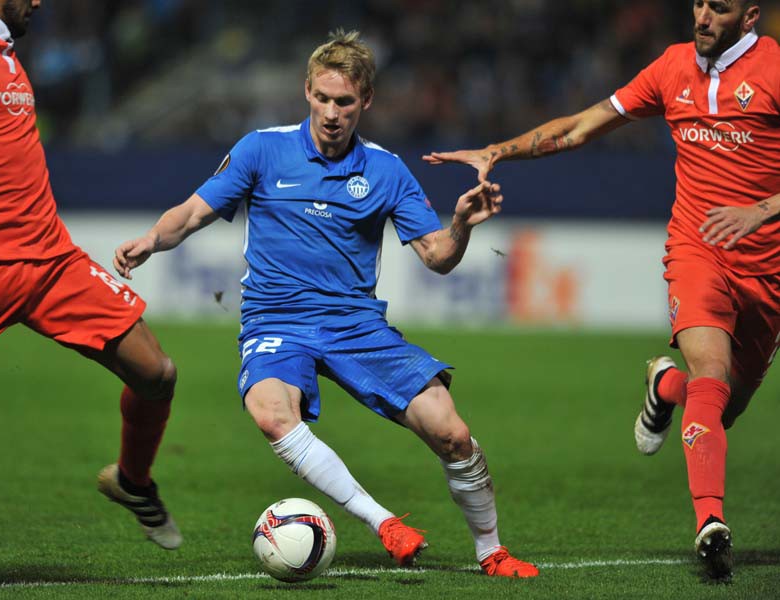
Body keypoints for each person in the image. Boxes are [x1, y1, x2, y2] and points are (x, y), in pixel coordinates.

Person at [114, 29, 538, 578]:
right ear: (306, 91)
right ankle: (383, 522)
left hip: (355, 325)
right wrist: (152, 239)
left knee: (452, 433)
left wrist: (460, 224)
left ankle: (492, 552)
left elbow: (437, 257)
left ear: (367, 101)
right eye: (322, 98)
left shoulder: (386, 170)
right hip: (276, 320)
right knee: (271, 414)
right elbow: (193, 212)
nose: (332, 113)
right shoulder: (262, 149)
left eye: (344, 102)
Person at [424, 0, 779, 581]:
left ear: (749, 16)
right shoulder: (671, 67)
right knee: (712, 377)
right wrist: (498, 151)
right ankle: (711, 524)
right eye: (697, 3)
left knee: (722, 408)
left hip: (768, 269)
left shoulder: (774, 70)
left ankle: (665, 385)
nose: (702, 16)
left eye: (718, 7)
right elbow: (580, 127)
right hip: (697, 252)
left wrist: (760, 211)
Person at [0, 0, 182, 550]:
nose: (39, 2)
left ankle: (133, 481)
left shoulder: (5, 51)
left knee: (156, 373)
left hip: (50, 258)